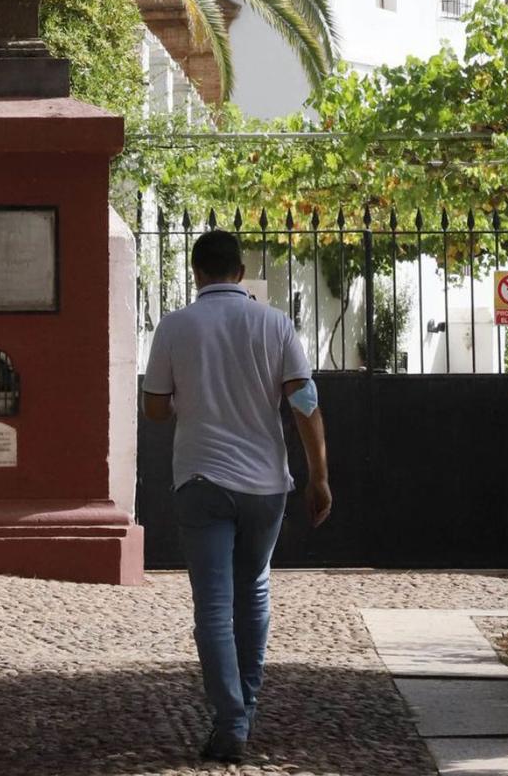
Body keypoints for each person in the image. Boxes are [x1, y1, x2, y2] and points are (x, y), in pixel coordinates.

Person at [143, 228, 331, 764]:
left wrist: (189, 401)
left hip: (200, 479)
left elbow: (155, 408)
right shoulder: (275, 324)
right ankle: (244, 708)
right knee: (253, 593)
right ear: (240, 273)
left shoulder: (176, 327)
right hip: (266, 483)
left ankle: (230, 722)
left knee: (213, 606)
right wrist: (319, 476)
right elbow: (306, 404)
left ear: (196, 272)